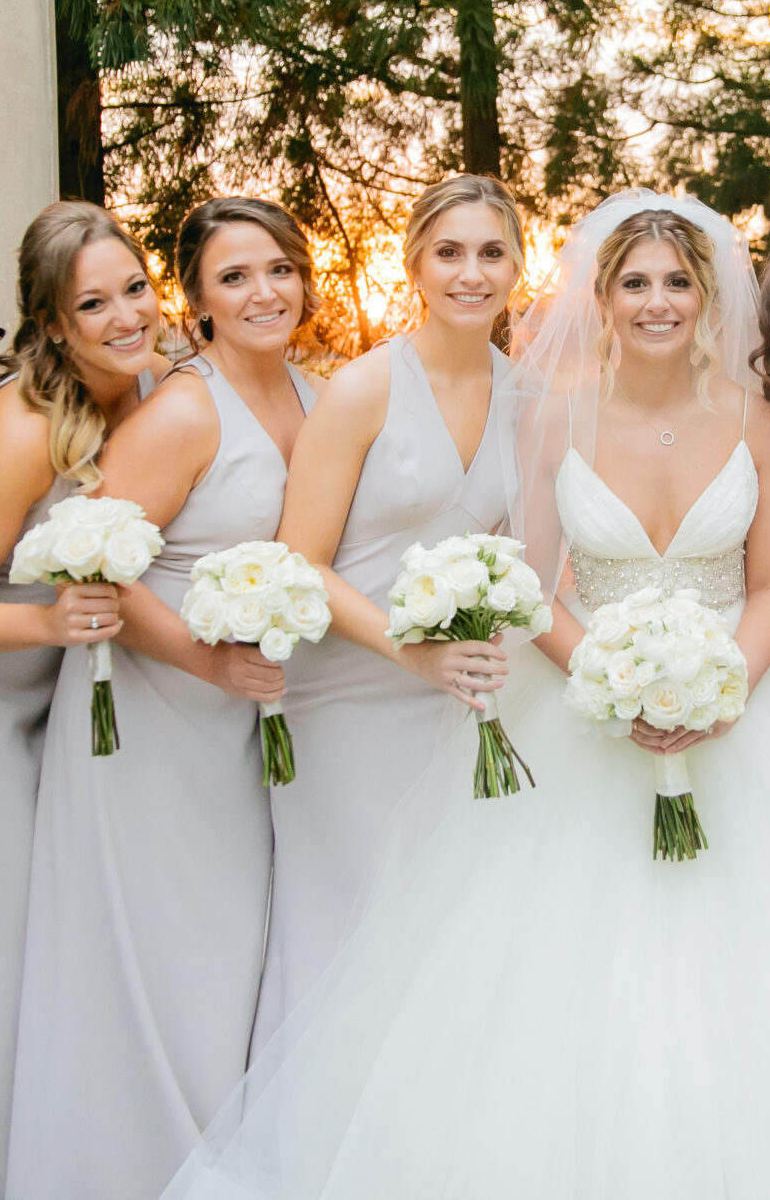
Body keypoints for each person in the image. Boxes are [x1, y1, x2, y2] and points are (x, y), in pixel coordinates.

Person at [159, 191, 770, 1200]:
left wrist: (721, 690)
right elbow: (532, 578)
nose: (658, 303)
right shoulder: (550, 412)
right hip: (582, 713)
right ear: (601, 297)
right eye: (636, 283)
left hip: (745, 717)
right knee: (550, 983)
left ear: (707, 296)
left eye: (677, 284)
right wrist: (608, 686)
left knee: (756, 978)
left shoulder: (757, 419)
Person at [4, 198, 320, 1199]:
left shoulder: (318, 396)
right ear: (198, 299)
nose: (262, 293)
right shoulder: (185, 409)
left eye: (278, 269)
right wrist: (206, 661)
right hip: (146, 719)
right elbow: (92, 571)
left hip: (249, 721)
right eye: (233, 278)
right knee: (155, 966)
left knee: (229, 960)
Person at [0, 201, 165, 1199]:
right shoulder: (22, 425)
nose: (125, 315)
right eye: (92, 303)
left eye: (133, 287)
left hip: (53, 703)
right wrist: (53, 626)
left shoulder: (144, 391)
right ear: (50, 323)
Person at [252, 173, 523, 1037]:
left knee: (442, 931)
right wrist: (414, 653)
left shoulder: (530, 397)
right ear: (414, 264)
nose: (470, 273)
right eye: (449, 252)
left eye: (491, 252)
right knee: (348, 924)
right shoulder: (364, 388)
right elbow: (298, 562)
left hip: (463, 701)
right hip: (350, 694)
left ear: (520, 265)